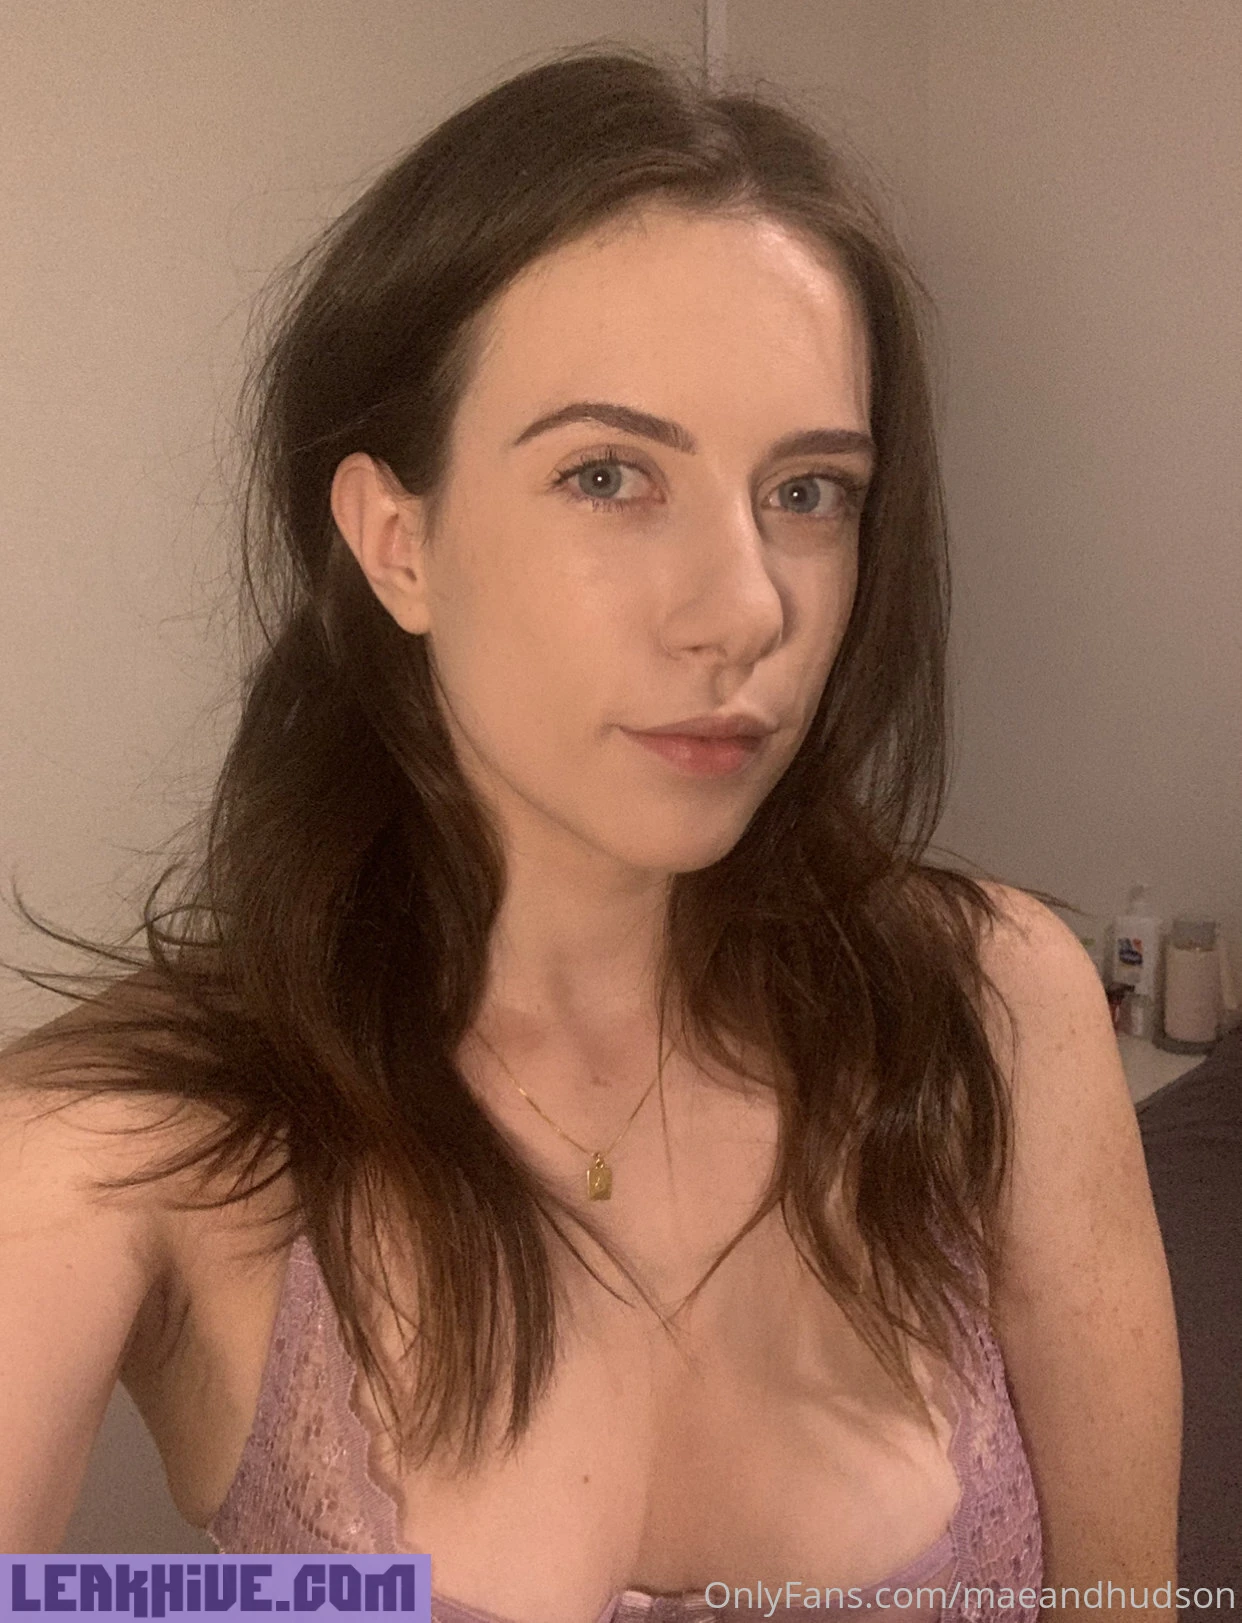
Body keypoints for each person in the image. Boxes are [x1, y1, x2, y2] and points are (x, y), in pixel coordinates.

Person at [0, 44, 1179, 1623]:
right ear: (396, 542)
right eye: (608, 474)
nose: (744, 609)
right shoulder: (124, 1153)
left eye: (807, 492)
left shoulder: (999, 1007)